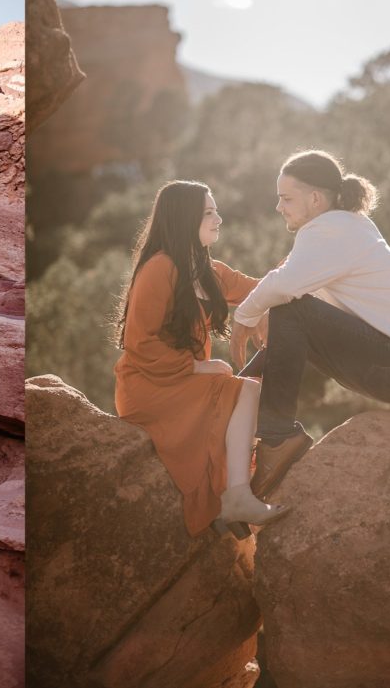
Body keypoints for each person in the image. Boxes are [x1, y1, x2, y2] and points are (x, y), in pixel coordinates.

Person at [230, 150, 390, 499]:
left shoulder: (331, 230)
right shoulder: (344, 225)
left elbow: (284, 287)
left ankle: (276, 437)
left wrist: (244, 317)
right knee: (290, 311)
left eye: (287, 198)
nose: (279, 207)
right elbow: (289, 292)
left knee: (290, 309)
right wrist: (243, 378)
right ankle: (247, 410)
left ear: (315, 199)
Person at [114, 180, 289, 539]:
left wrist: (302, 264)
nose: (219, 219)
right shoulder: (159, 268)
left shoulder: (207, 270)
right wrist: (195, 366)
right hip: (151, 385)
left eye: (216, 211)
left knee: (248, 388)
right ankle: (237, 496)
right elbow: (138, 342)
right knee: (245, 389)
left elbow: (261, 288)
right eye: (209, 212)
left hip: (181, 382)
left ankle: (236, 495)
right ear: (185, 219)